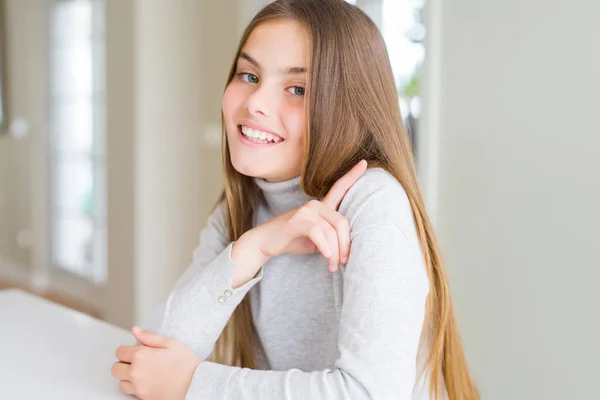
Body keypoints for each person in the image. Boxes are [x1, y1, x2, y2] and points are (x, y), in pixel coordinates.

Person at [110, 0, 479, 398]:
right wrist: (257, 245)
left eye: (298, 89)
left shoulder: (374, 202)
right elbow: (146, 356)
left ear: (346, 106)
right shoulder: (246, 205)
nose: (255, 103)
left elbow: (370, 394)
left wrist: (193, 385)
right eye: (249, 75)